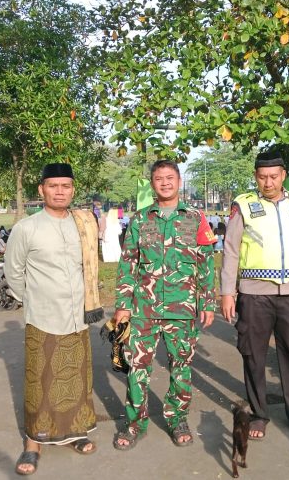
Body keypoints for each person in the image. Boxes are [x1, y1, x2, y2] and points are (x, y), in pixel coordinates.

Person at [220, 150, 289, 443]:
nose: (268, 182)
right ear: (256, 177)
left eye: (273, 176)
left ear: (283, 175)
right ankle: (259, 414)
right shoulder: (244, 205)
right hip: (254, 295)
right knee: (253, 354)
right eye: (262, 176)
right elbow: (230, 251)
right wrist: (227, 292)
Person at [112, 160, 217, 450]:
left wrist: (208, 303)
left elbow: (206, 264)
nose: (165, 183)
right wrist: (123, 304)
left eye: (170, 178)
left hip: (182, 308)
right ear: (153, 183)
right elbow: (128, 263)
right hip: (144, 308)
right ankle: (134, 423)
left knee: (181, 366)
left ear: (179, 181)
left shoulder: (196, 218)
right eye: (159, 179)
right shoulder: (140, 219)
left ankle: (177, 419)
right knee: (137, 367)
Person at [4, 163, 102, 476]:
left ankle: (73, 433)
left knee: (75, 379)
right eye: (53, 186)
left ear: (73, 190)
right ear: (41, 190)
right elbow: (13, 272)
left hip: (78, 316)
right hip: (43, 318)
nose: (60, 192)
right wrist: (33, 299)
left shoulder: (82, 223)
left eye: (66, 186)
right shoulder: (27, 228)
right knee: (40, 382)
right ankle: (33, 444)